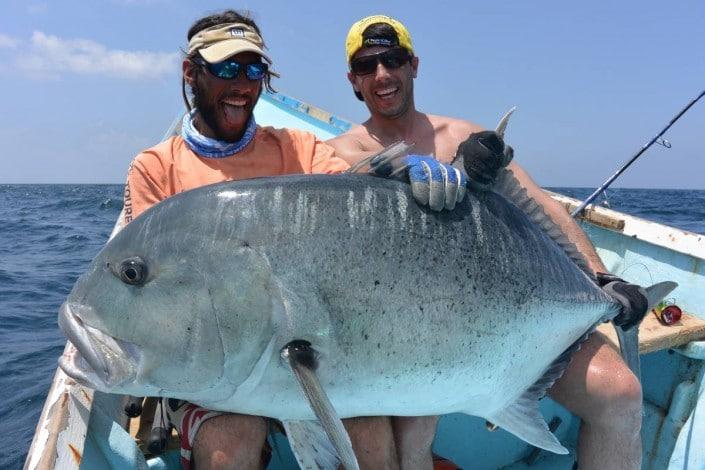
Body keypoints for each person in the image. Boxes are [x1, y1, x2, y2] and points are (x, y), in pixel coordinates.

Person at [122, 10, 465, 470]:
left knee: (370, 435)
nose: (243, 85)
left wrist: (410, 180)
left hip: (306, 355)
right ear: (191, 72)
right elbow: (150, 293)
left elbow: (363, 213)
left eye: (254, 70)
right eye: (227, 69)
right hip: (215, 370)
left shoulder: (299, 150)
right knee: (230, 444)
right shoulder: (155, 167)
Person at [327, 14, 647, 470]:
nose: (382, 74)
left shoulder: (463, 135)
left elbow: (543, 208)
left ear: (413, 65)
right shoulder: (341, 150)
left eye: (393, 60)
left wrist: (602, 279)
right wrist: (405, 173)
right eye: (367, 65)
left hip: (510, 314)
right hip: (406, 328)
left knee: (621, 394)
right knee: (414, 429)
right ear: (353, 80)